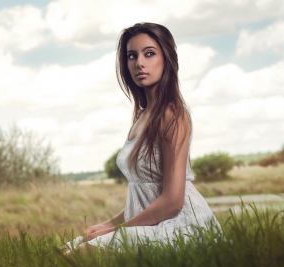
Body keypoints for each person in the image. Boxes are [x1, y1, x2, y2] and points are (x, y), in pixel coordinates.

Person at [62, 22, 220, 254]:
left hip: (179, 225)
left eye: (149, 53)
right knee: (64, 251)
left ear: (167, 59)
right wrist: (109, 224)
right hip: (148, 224)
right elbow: (143, 195)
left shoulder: (173, 114)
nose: (140, 63)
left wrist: (118, 231)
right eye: (131, 56)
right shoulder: (142, 116)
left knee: (77, 256)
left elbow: (173, 201)